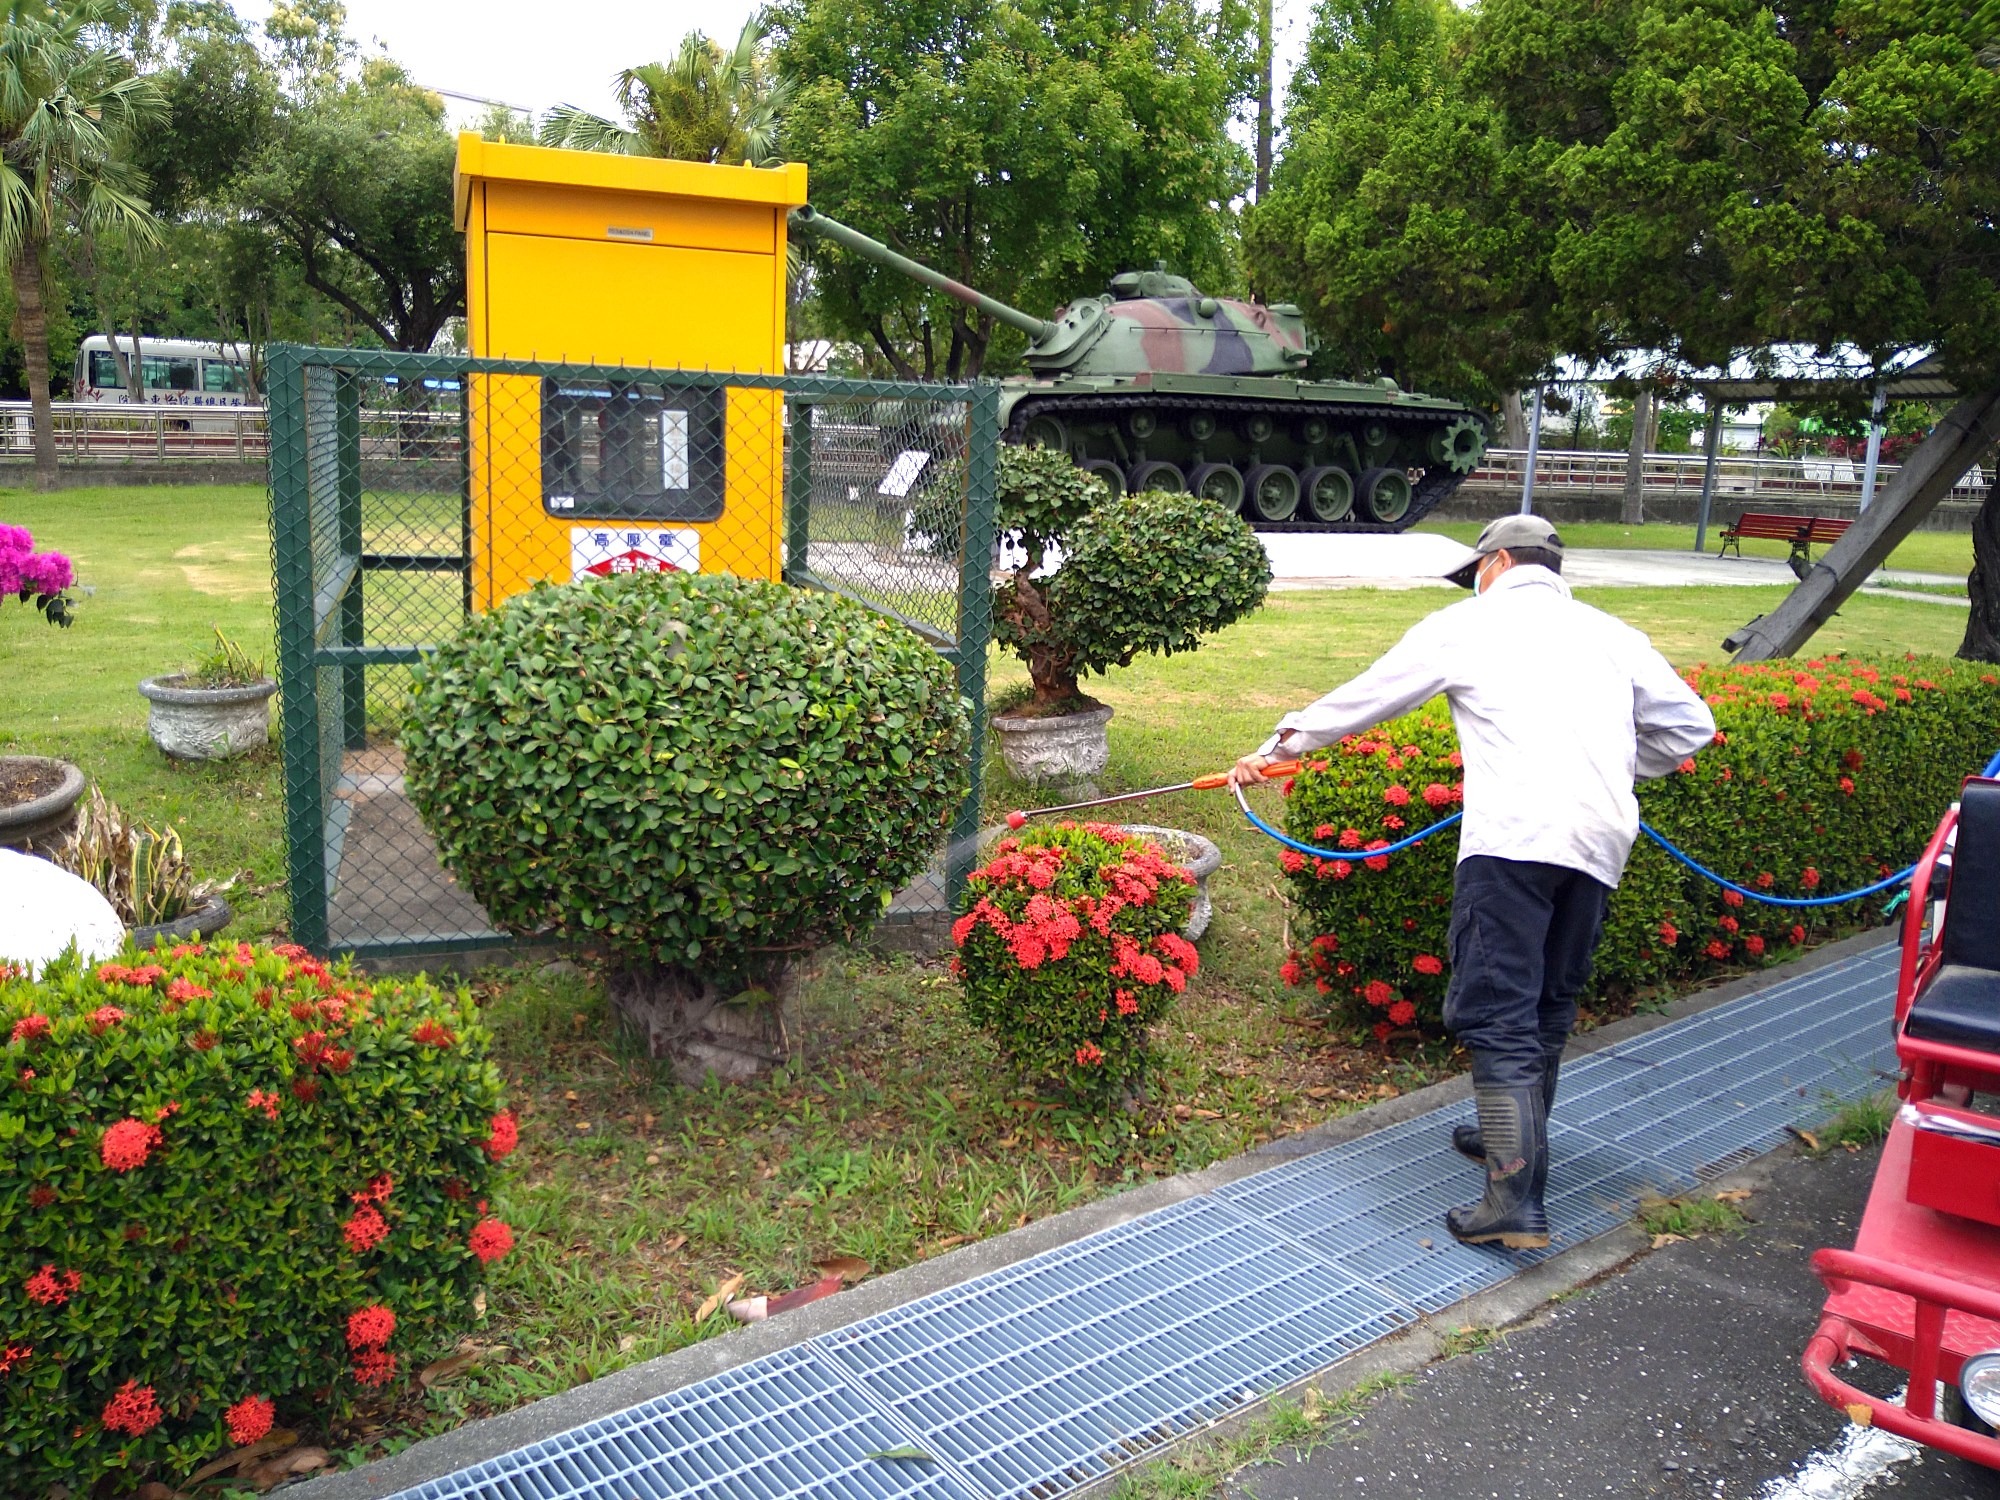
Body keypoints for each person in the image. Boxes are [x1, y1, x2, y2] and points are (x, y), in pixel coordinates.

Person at [1231, 515, 1715, 1248]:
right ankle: (1509, 1148)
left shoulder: (1469, 626)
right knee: (1548, 1003)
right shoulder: (1614, 635)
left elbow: (1366, 698)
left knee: (1498, 1013)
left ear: (1494, 564)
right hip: (1601, 839)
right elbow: (1691, 729)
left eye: (1475, 572)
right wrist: (1612, 770)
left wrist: (1274, 749)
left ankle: (1512, 1199)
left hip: (1514, 842)